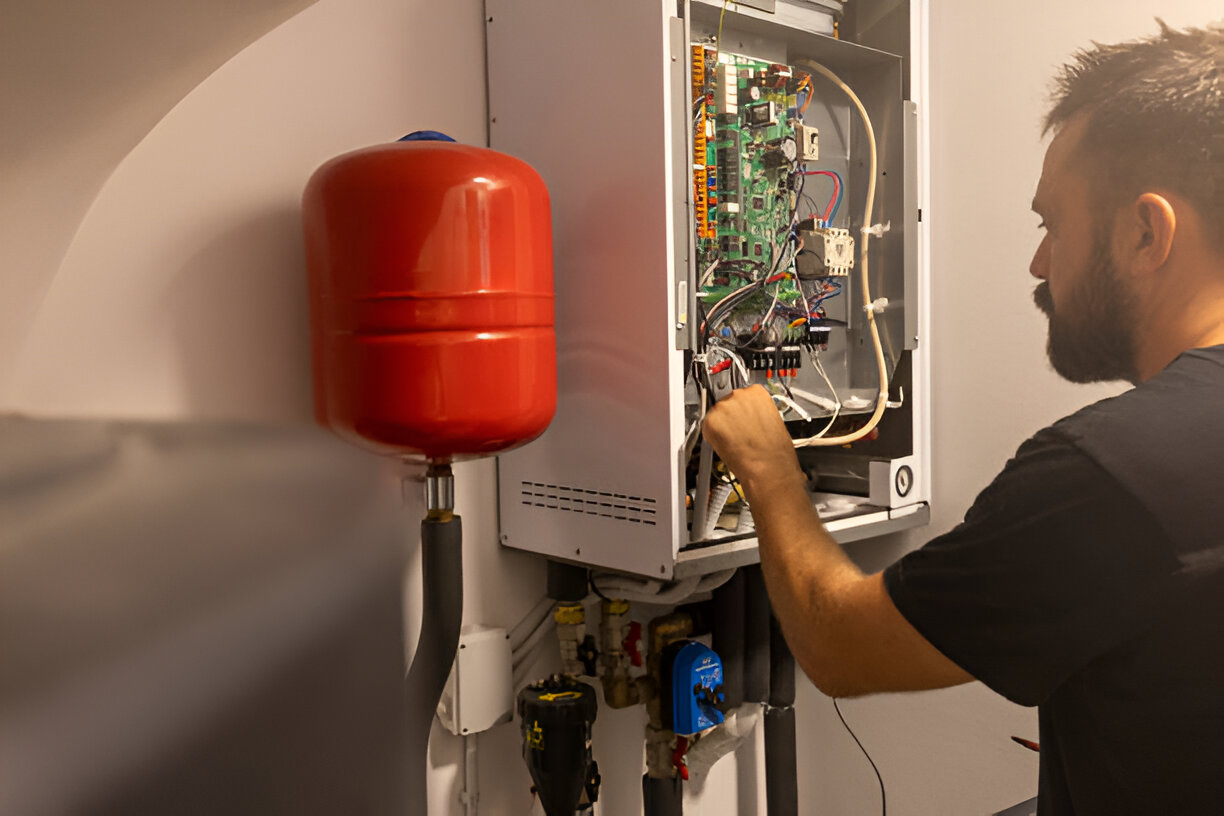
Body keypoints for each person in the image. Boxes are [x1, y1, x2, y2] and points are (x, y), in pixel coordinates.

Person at [702, 20, 1224, 815]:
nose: (1038, 264)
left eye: (1052, 225)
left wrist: (771, 469)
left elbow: (841, 645)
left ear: (1145, 231)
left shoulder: (1113, 471)